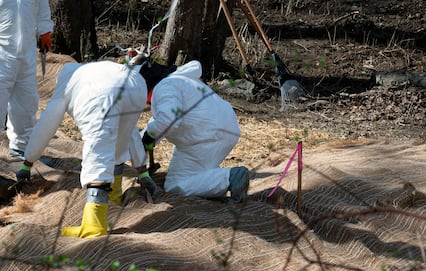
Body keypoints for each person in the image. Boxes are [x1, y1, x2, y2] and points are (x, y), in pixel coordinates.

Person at [15, 59, 161, 239]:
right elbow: (130, 132)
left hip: (101, 93)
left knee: (98, 148)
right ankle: (113, 198)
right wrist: (142, 171)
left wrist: (27, 163)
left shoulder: (68, 82)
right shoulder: (89, 72)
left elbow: (46, 126)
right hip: (136, 84)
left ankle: (94, 224)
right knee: (119, 138)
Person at [141, 60, 250, 204]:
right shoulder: (177, 81)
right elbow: (160, 119)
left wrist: (149, 136)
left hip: (205, 138)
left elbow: (169, 119)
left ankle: (229, 178)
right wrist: (144, 138)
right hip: (219, 131)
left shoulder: (164, 87)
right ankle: (218, 177)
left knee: (176, 184)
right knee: (195, 173)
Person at [0, 0, 53, 159]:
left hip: (26, 52)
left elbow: (42, 1)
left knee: (26, 103)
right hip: (0, 51)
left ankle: (22, 151)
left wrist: (45, 31)